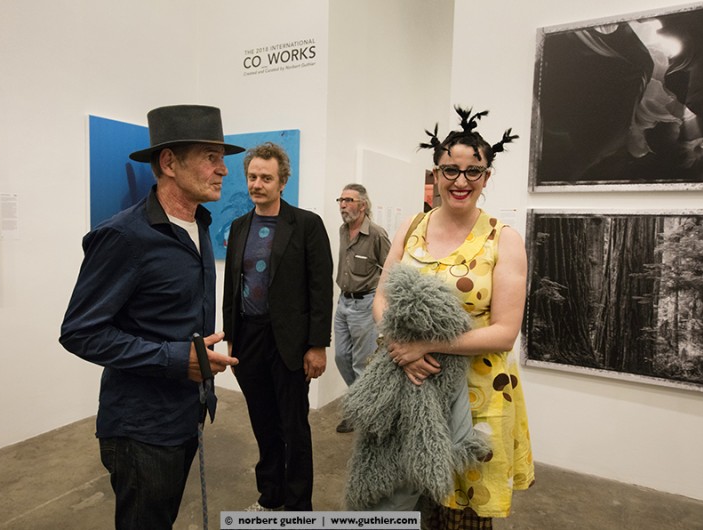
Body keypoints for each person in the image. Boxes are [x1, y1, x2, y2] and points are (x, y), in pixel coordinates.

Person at [59, 105, 240, 530]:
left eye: (222, 158)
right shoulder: (124, 237)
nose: (223, 170)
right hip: (141, 428)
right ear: (169, 162)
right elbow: (80, 332)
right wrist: (176, 359)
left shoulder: (200, 224)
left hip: (186, 413)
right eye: (210, 157)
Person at [373, 107, 534, 528]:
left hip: (478, 393)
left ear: (486, 177)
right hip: (410, 383)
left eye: (473, 171)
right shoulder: (413, 226)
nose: (461, 181)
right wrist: (399, 348)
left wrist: (424, 346)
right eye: (451, 170)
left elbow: (504, 333)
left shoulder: (503, 239)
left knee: (463, 514)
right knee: (406, 499)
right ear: (436, 173)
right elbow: (382, 296)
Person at [222, 142, 333, 512]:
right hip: (249, 338)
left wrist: (317, 345)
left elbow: (320, 288)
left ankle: (299, 507)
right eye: (253, 177)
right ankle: (271, 496)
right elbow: (231, 286)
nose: (257, 184)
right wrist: (232, 338)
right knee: (263, 423)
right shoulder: (239, 226)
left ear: (282, 182)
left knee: (293, 427)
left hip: (289, 342)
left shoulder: (306, 225)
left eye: (266, 178)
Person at [333, 183, 390, 433]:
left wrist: (382, 301)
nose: (343, 205)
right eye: (341, 200)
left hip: (365, 304)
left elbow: (391, 269)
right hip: (343, 301)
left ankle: (365, 416)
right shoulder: (343, 230)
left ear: (363, 205)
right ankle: (359, 404)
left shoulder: (376, 234)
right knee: (341, 357)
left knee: (361, 363)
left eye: (349, 200)